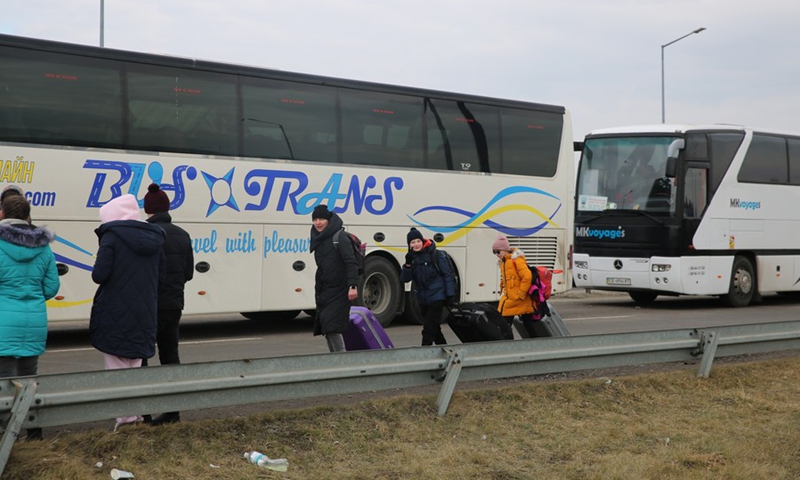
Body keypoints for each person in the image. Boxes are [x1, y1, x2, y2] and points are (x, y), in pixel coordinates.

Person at [89, 194, 165, 431]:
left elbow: (99, 275)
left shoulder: (111, 237)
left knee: (116, 366)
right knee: (135, 363)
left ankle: (125, 422)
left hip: (116, 311)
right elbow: (161, 276)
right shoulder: (155, 237)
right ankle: (135, 417)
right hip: (145, 312)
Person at [0, 195, 59, 440]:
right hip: (34, 322)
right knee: (29, 381)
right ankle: (34, 435)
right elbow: (52, 287)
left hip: (4, 323)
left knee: (4, 385)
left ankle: (6, 436)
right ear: (27, 216)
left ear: (3, 214)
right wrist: (32, 297)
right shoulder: (43, 247)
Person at [142, 183, 194, 425]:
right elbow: (189, 273)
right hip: (174, 304)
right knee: (170, 356)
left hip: (150, 304)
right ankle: (173, 412)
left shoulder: (147, 233)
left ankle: (144, 413)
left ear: (147, 209)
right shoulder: (183, 235)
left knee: (142, 356)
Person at [309, 204, 358, 353]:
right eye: (315, 219)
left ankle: (341, 359)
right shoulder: (318, 238)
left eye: (321, 219)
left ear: (328, 220)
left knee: (332, 325)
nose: (318, 223)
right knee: (326, 327)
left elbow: (351, 262)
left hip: (340, 290)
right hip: (325, 290)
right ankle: (335, 358)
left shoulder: (340, 237)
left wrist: (353, 286)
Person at [400, 227, 454, 346]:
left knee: (428, 330)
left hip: (437, 296)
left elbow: (447, 275)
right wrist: (407, 264)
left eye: (418, 241)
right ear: (409, 245)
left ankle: (424, 353)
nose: (416, 244)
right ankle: (445, 350)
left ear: (422, 241)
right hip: (422, 298)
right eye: (412, 242)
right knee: (435, 328)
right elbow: (405, 279)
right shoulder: (412, 258)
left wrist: (450, 295)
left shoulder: (436, 254)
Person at [492, 235, 536, 336]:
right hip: (513, 298)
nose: (496, 255)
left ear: (505, 250)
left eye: (498, 251)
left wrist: (521, 294)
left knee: (505, 325)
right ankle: (534, 345)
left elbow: (527, 276)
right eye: (494, 252)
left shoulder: (516, 260)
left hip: (517, 299)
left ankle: (508, 346)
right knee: (527, 325)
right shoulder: (505, 262)